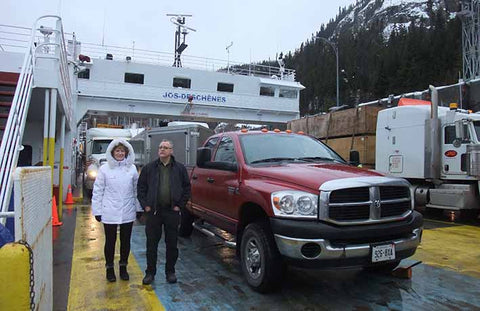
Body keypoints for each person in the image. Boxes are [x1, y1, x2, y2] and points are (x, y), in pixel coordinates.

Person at [137, 139, 191, 285]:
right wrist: (146, 206)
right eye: (160, 147)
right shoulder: (149, 168)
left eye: (166, 147)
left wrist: (179, 205)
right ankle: (150, 273)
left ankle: (170, 272)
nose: (162, 149)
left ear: (171, 151)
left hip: (172, 212)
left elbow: (187, 188)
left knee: (172, 244)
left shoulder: (179, 169)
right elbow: (141, 188)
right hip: (154, 212)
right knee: (151, 244)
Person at [91, 139, 142, 282]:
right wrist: (97, 211)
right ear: (112, 153)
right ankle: (109, 269)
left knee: (125, 241)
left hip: (127, 210)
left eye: (122, 151)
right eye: (117, 151)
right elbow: (98, 190)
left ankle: (123, 267)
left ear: (127, 153)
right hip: (109, 211)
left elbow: (136, 190)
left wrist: (138, 208)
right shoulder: (104, 169)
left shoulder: (132, 169)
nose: (120, 153)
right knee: (110, 241)